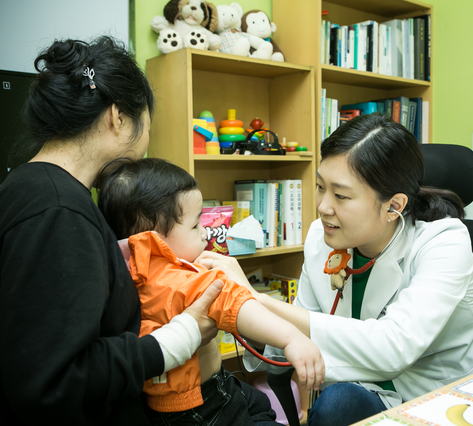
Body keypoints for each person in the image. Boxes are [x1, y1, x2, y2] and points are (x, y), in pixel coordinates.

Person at [198, 113, 473, 426]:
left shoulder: (444, 242)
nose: (324, 206)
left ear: (393, 206)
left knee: (338, 402)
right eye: (320, 186)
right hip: (366, 393)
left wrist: (256, 300)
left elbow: (392, 349)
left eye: (341, 195)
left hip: (444, 399)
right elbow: (301, 329)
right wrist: (242, 314)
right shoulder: (320, 237)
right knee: (325, 403)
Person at [0, 37, 225, 426]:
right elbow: (53, 381)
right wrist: (179, 338)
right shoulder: (56, 209)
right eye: (147, 128)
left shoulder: (31, 189)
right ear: (118, 117)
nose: (145, 148)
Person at [96, 157, 325, 426]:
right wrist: (291, 339)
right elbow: (235, 303)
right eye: (195, 226)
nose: (205, 233)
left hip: (175, 404)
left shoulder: (120, 270)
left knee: (258, 403)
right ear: (154, 238)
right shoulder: (179, 282)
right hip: (204, 405)